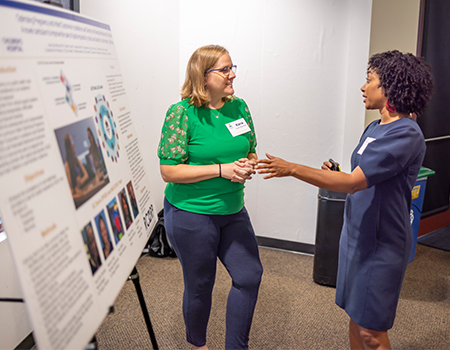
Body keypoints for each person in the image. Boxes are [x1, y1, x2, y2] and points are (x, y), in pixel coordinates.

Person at [255, 50, 433, 350]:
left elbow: (353, 184)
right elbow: (363, 175)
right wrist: (338, 172)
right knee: (355, 317)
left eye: (369, 81)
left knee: (371, 332)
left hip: (382, 244)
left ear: (389, 86)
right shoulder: (376, 128)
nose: (363, 88)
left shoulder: (407, 134)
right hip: (357, 236)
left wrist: (292, 168)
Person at [157, 44, 263, 350]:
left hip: (232, 211)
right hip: (192, 213)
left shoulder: (239, 107)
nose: (232, 75)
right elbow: (169, 171)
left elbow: (251, 148)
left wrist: (247, 164)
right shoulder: (181, 114)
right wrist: (221, 169)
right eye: (225, 69)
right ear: (203, 76)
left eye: (233, 68)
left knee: (249, 275)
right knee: (201, 286)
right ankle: (198, 344)